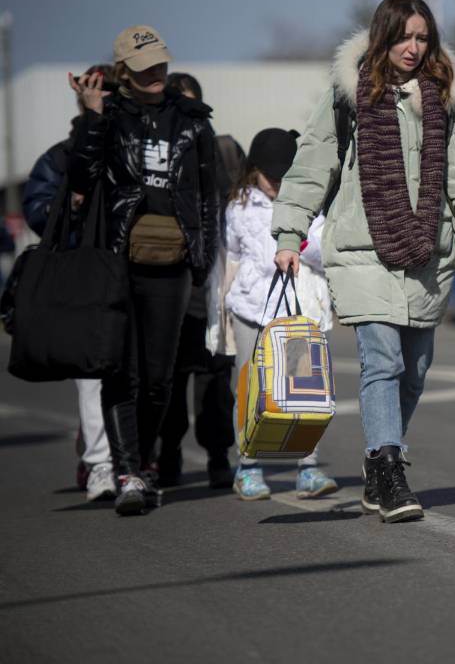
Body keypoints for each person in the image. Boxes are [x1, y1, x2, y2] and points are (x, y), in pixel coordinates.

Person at [271, 0, 455, 523]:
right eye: (405, 37)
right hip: (361, 247)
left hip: (425, 250)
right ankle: (388, 464)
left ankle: (380, 464)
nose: (414, 48)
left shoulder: (444, 97)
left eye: (423, 38)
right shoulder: (346, 94)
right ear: (384, 35)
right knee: (383, 359)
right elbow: (312, 164)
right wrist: (290, 233)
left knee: (417, 368)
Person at [68, 26, 220, 516]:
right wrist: (92, 118)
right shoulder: (108, 118)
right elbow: (80, 177)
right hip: (119, 261)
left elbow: (208, 196)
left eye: (160, 63)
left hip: (173, 264)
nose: (156, 73)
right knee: (121, 372)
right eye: (144, 66)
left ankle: (145, 459)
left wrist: (203, 259)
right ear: (123, 73)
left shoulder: (194, 121)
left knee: (159, 379)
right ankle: (129, 469)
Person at [221, 127, 338, 500]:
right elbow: (231, 257)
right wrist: (219, 311)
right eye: (269, 175)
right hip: (250, 309)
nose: (276, 183)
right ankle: (248, 468)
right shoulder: (238, 206)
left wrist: (297, 239)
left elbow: (324, 251)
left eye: (283, 175)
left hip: (296, 313)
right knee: (248, 389)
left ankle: (308, 468)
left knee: (302, 391)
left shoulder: (309, 203)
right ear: (252, 170)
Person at [21, 65, 117, 502]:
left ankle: (134, 460)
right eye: (96, 93)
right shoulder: (60, 157)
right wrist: (71, 201)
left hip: (125, 271)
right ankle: (99, 463)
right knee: (90, 375)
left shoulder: (127, 150)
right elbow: (39, 212)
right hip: (80, 277)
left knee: (134, 376)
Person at [155, 72, 239, 489]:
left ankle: (219, 455)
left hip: (212, 283)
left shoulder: (219, 151)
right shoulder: (157, 153)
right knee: (169, 378)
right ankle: (166, 453)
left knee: (215, 378)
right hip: (171, 280)